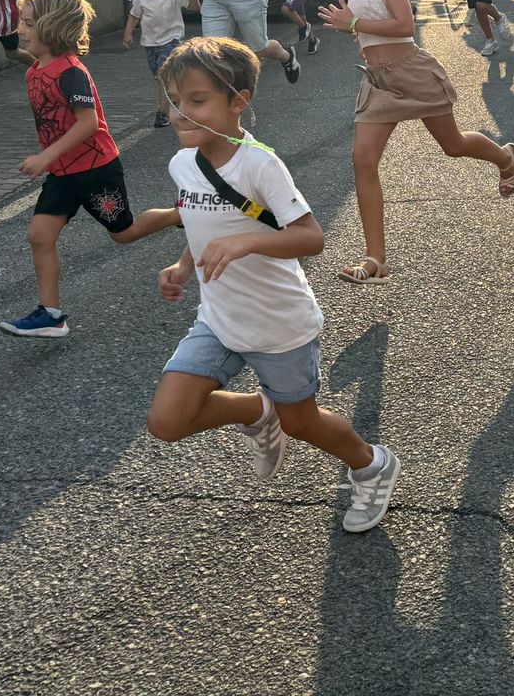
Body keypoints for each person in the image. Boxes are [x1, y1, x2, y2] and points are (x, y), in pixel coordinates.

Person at [146, 36, 400, 531]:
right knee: (167, 421)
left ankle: (372, 466)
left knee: (303, 422)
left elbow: (311, 237)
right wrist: (183, 265)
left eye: (196, 102)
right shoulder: (184, 163)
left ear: (239, 101)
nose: (179, 113)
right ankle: (257, 413)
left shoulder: (260, 164)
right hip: (218, 319)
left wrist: (246, 244)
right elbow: (203, 219)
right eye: (174, 101)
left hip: (278, 323)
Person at [318, 0, 514, 285]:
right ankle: (376, 259)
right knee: (363, 160)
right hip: (378, 80)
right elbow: (369, 29)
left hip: (411, 72)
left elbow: (404, 24)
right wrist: (356, 33)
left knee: (453, 144)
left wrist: (355, 23)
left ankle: (505, 156)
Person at [0, 0, 177, 337]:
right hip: (63, 173)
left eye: (29, 23)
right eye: (22, 21)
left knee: (123, 234)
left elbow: (88, 123)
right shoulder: (35, 70)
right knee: (39, 235)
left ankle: (180, 213)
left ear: (55, 26)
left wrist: (44, 156)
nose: (21, 29)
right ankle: (51, 314)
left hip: (96, 170)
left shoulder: (71, 72)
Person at [124, 0, 199, 127]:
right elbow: (134, 16)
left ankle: (162, 112)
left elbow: (195, 7)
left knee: (163, 74)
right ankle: (182, 101)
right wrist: (128, 34)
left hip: (171, 41)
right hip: (150, 44)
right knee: (160, 77)